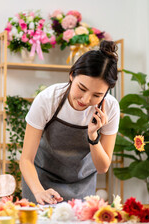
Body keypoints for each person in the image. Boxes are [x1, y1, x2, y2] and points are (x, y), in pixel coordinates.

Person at [20, 40, 120, 205]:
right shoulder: (48, 99)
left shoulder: (110, 107)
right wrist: (39, 192)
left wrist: (93, 136)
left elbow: (103, 168)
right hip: (41, 182)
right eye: (81, 88)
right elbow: (26, 160)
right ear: (72, 74)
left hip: (82, 187)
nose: (86, 99)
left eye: (97, 95)